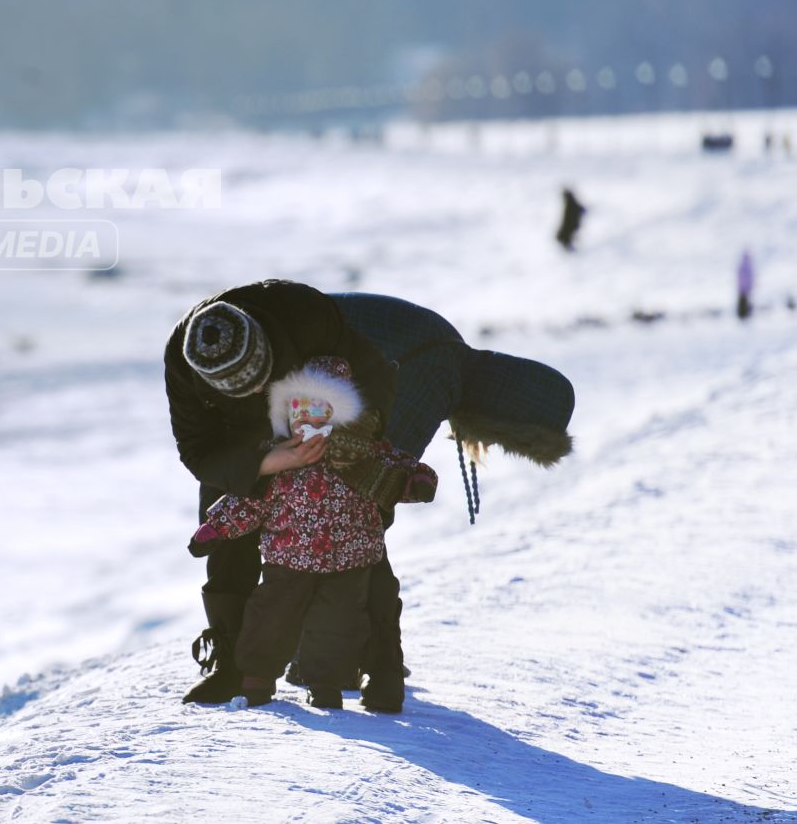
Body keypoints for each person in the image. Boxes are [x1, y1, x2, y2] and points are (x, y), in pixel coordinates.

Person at [166, 281, 576, 712]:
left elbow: (376, 378)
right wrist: (265, 463)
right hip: (252, 430)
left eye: (255, 384)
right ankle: (231, 662)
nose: (250, 394)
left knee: (358, 513)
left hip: (323, 404)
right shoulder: (185, 359)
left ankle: (368, 659)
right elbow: (199, 450)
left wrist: (357, 442)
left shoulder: (310, 319)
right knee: (232, 508)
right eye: (237, 391)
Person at [188, 355, 437, 708]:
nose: (306, 420)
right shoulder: (277, 458)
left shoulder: (364, 454)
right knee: (269, 617)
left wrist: (419, 482)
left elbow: (401, 469)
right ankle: (255, 680)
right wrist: (214, 528)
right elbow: (249, 500)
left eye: (318, 410)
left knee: (335, 627)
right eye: (298, 411)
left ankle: (325, 687)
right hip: (286, 560)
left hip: (349, 563)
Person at [556, 187, 586, 252]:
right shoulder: (571, 203)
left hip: (571, 225)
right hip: (572, 225)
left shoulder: (571, 204)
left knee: (567, 235)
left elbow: (580, 209)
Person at [738, 249, 755, 321]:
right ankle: (744, 315)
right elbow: (750, 277)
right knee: (746, 301)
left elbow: (739, 276)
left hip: (742, 288)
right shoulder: (748, 266)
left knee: (743, 301)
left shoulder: (742, 265)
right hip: (746, 288)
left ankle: (743, 315)